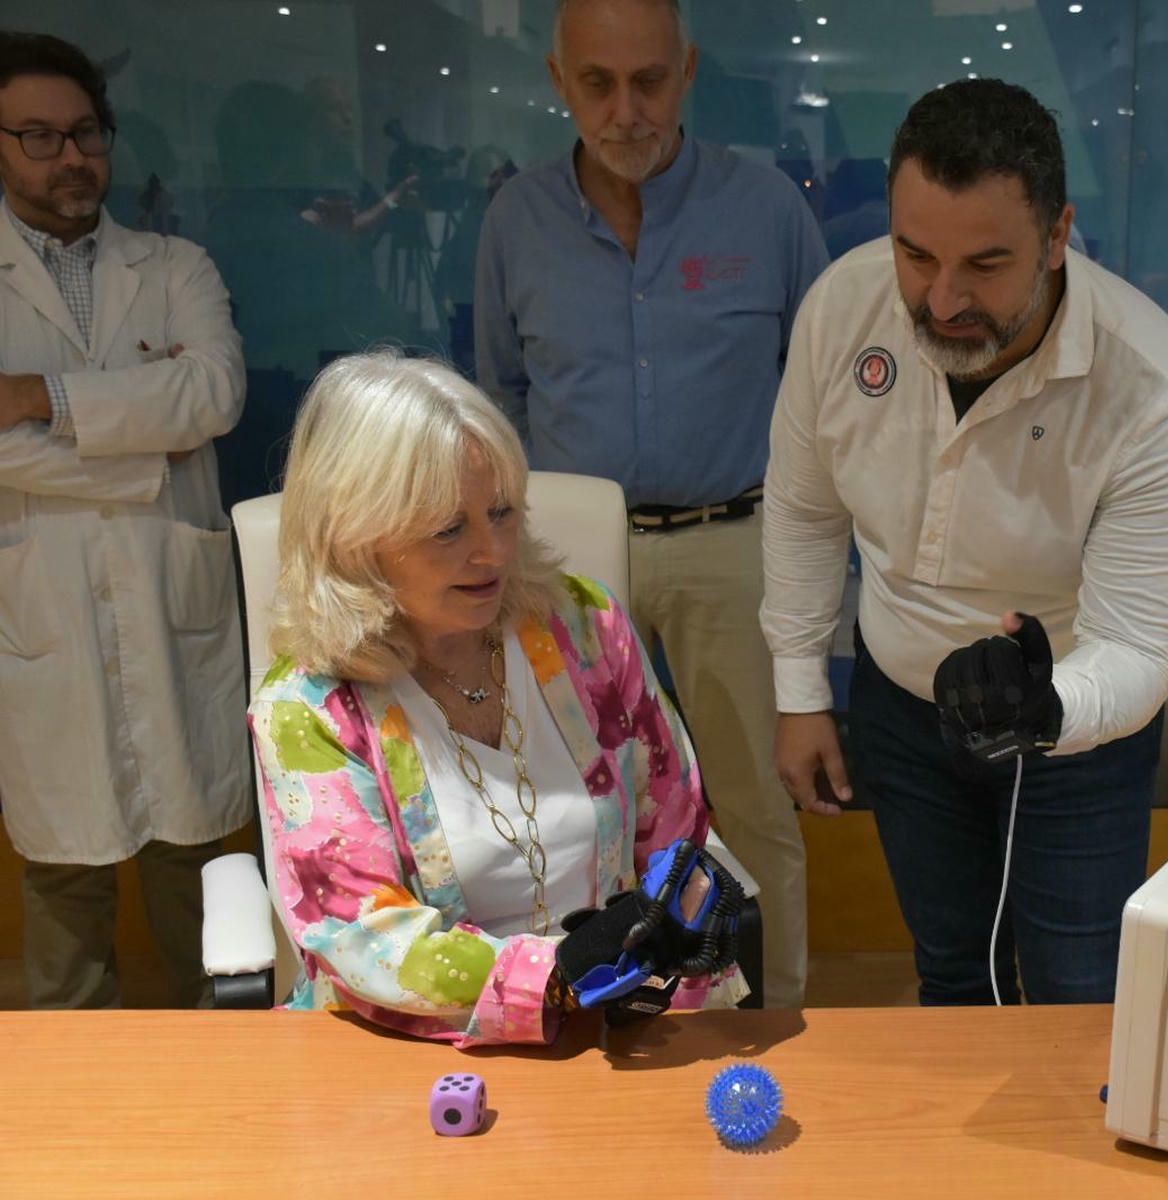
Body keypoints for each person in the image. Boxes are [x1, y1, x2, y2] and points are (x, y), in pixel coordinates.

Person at [761, 79, 1168, 1006]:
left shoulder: (1152, 387)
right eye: (915, 254)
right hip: (900, 705)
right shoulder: (843, 308)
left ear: (1057, 237)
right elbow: (807, 510)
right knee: (951, 969)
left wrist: (1046, 707)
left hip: (1078, 724)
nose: (942, 298)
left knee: (1077, 990)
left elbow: (1138, 645)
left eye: (987, 263)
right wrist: (801, 690)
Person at [475, 0, 826, 1009]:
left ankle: (772, 1012)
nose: (625, 109)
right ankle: (614, 1002)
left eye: (649, 80)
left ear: (688, 71)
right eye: (597, 83)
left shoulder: (763, 210)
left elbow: (819, 397)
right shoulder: (516, 220)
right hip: (571, 561)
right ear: (557, 79)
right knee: (586, 802)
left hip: (734, 545)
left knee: (754, 805)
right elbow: (502, 398)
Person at [247, 352, 745, 1047]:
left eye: (502, 512)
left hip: (620, 1028)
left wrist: (677, 947)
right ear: (352, 539)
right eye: (448, 529)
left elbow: (674, 826)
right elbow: (365, 937)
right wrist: (562, 974)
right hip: (406, 1055)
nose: (494, 552)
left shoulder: (584, 628)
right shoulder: (308, 706)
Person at [0, 32, 248, 1010]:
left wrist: (39, 399)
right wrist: (146, 444)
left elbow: (214, 393)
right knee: (64, 869)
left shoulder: (175, 263)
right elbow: (177, 417)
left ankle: (233, 1095)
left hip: (167, 607)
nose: (73, 156)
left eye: (87, 132)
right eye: (39, 136)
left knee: (200, 859)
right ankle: (73, 1128)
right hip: (45, 619)